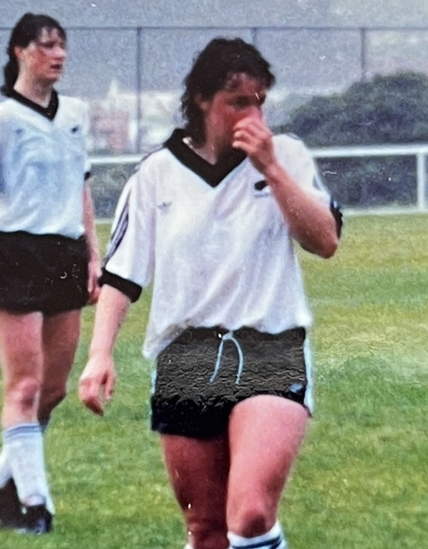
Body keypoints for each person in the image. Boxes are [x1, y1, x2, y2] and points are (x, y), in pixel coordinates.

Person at [78, 37, 342, 549]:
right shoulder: (157, 173)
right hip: (188, 355)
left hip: (272, 347)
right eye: (238, 101)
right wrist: (98, 355)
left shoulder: (286, 155)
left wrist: (273, 170)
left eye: (260, 101)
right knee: (206, 529)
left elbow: (325, 241)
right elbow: (122, 274)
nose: (253, 113)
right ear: (202, 100)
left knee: (251, 513)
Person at [0, 12, 101, 534]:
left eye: (62, 45)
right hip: (12, 254)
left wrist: (93, 255)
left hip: (64, 255)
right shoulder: (0, 118)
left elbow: (80, 187)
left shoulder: (77, 113)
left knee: (52, 392)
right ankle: (37, 504)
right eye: (45, 46)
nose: (57, 55)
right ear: (19, 51)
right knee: (23, 386)